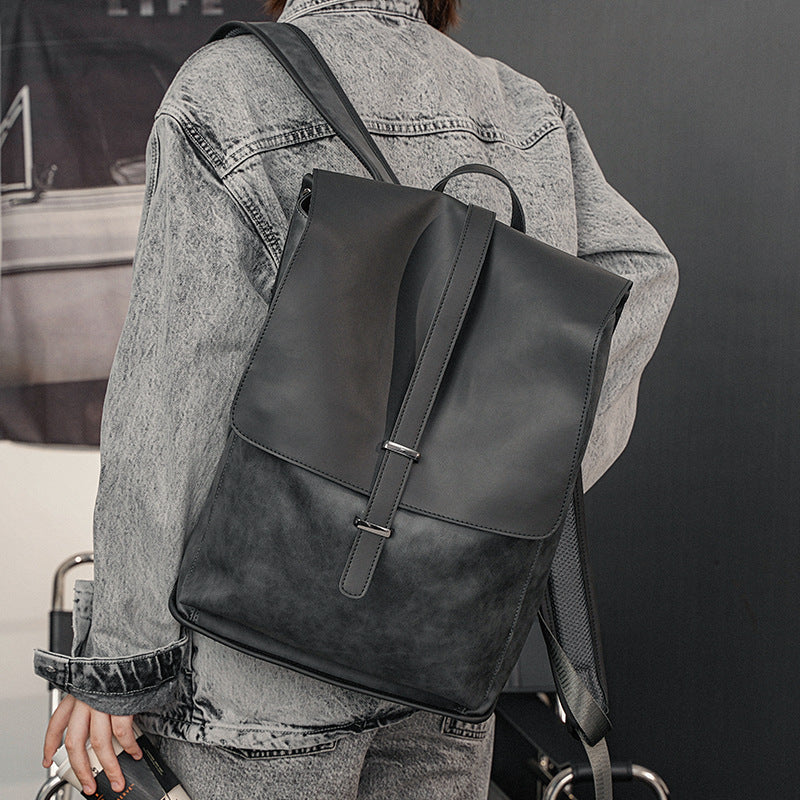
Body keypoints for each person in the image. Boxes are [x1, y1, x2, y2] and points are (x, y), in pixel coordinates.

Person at [35, 0, 679, 797]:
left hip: (258, 671)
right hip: (439, 651)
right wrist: (490, 496)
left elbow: (174, 389)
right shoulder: (525, 114)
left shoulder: (231, 90)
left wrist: (122, 661)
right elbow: (641, 276)